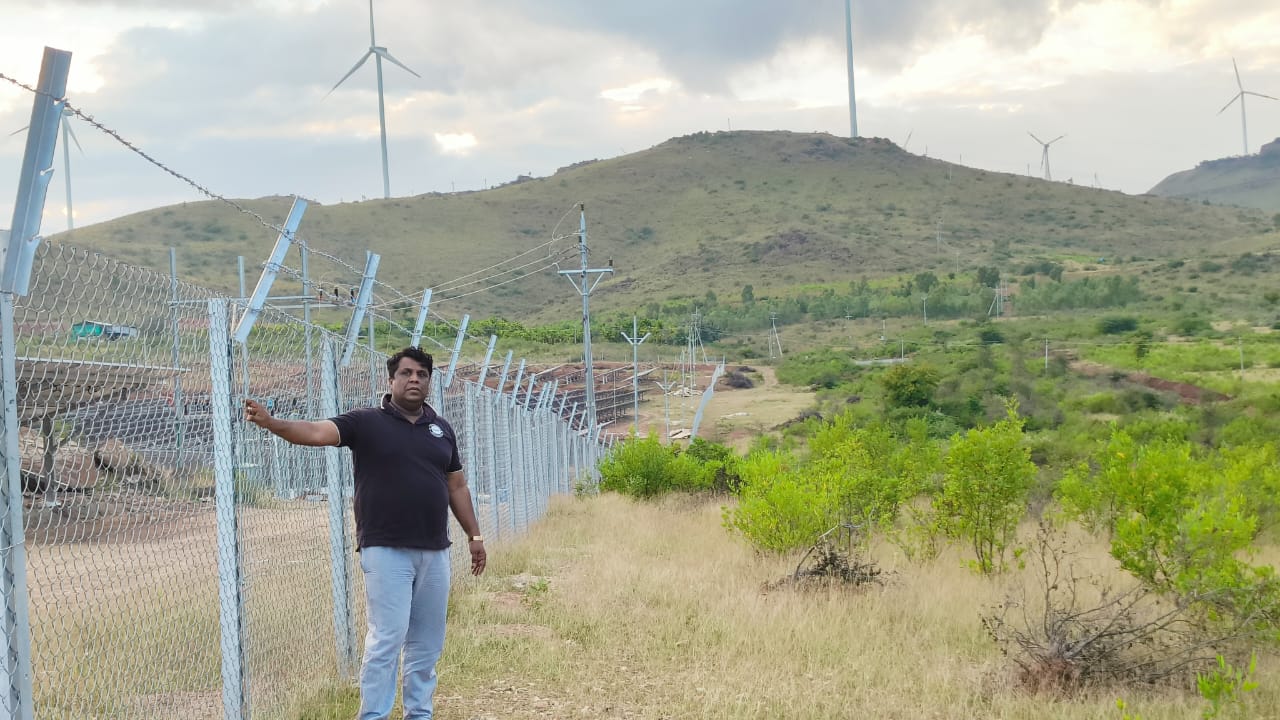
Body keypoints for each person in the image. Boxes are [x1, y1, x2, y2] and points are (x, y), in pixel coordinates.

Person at [244, 346, 486, 720]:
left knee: (427, 644)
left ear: (429, 382)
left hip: (435, 551)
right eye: (406, 373)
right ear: (391, 380)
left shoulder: (441, 429)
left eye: (422, 374)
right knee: (387, 638)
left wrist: (474, 536)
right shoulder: (365, 422)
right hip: (386, 550)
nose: (414, 380)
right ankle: (373, 715)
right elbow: (316, 432)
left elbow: (456, 486)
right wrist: (274, 423)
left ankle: (419, 713)